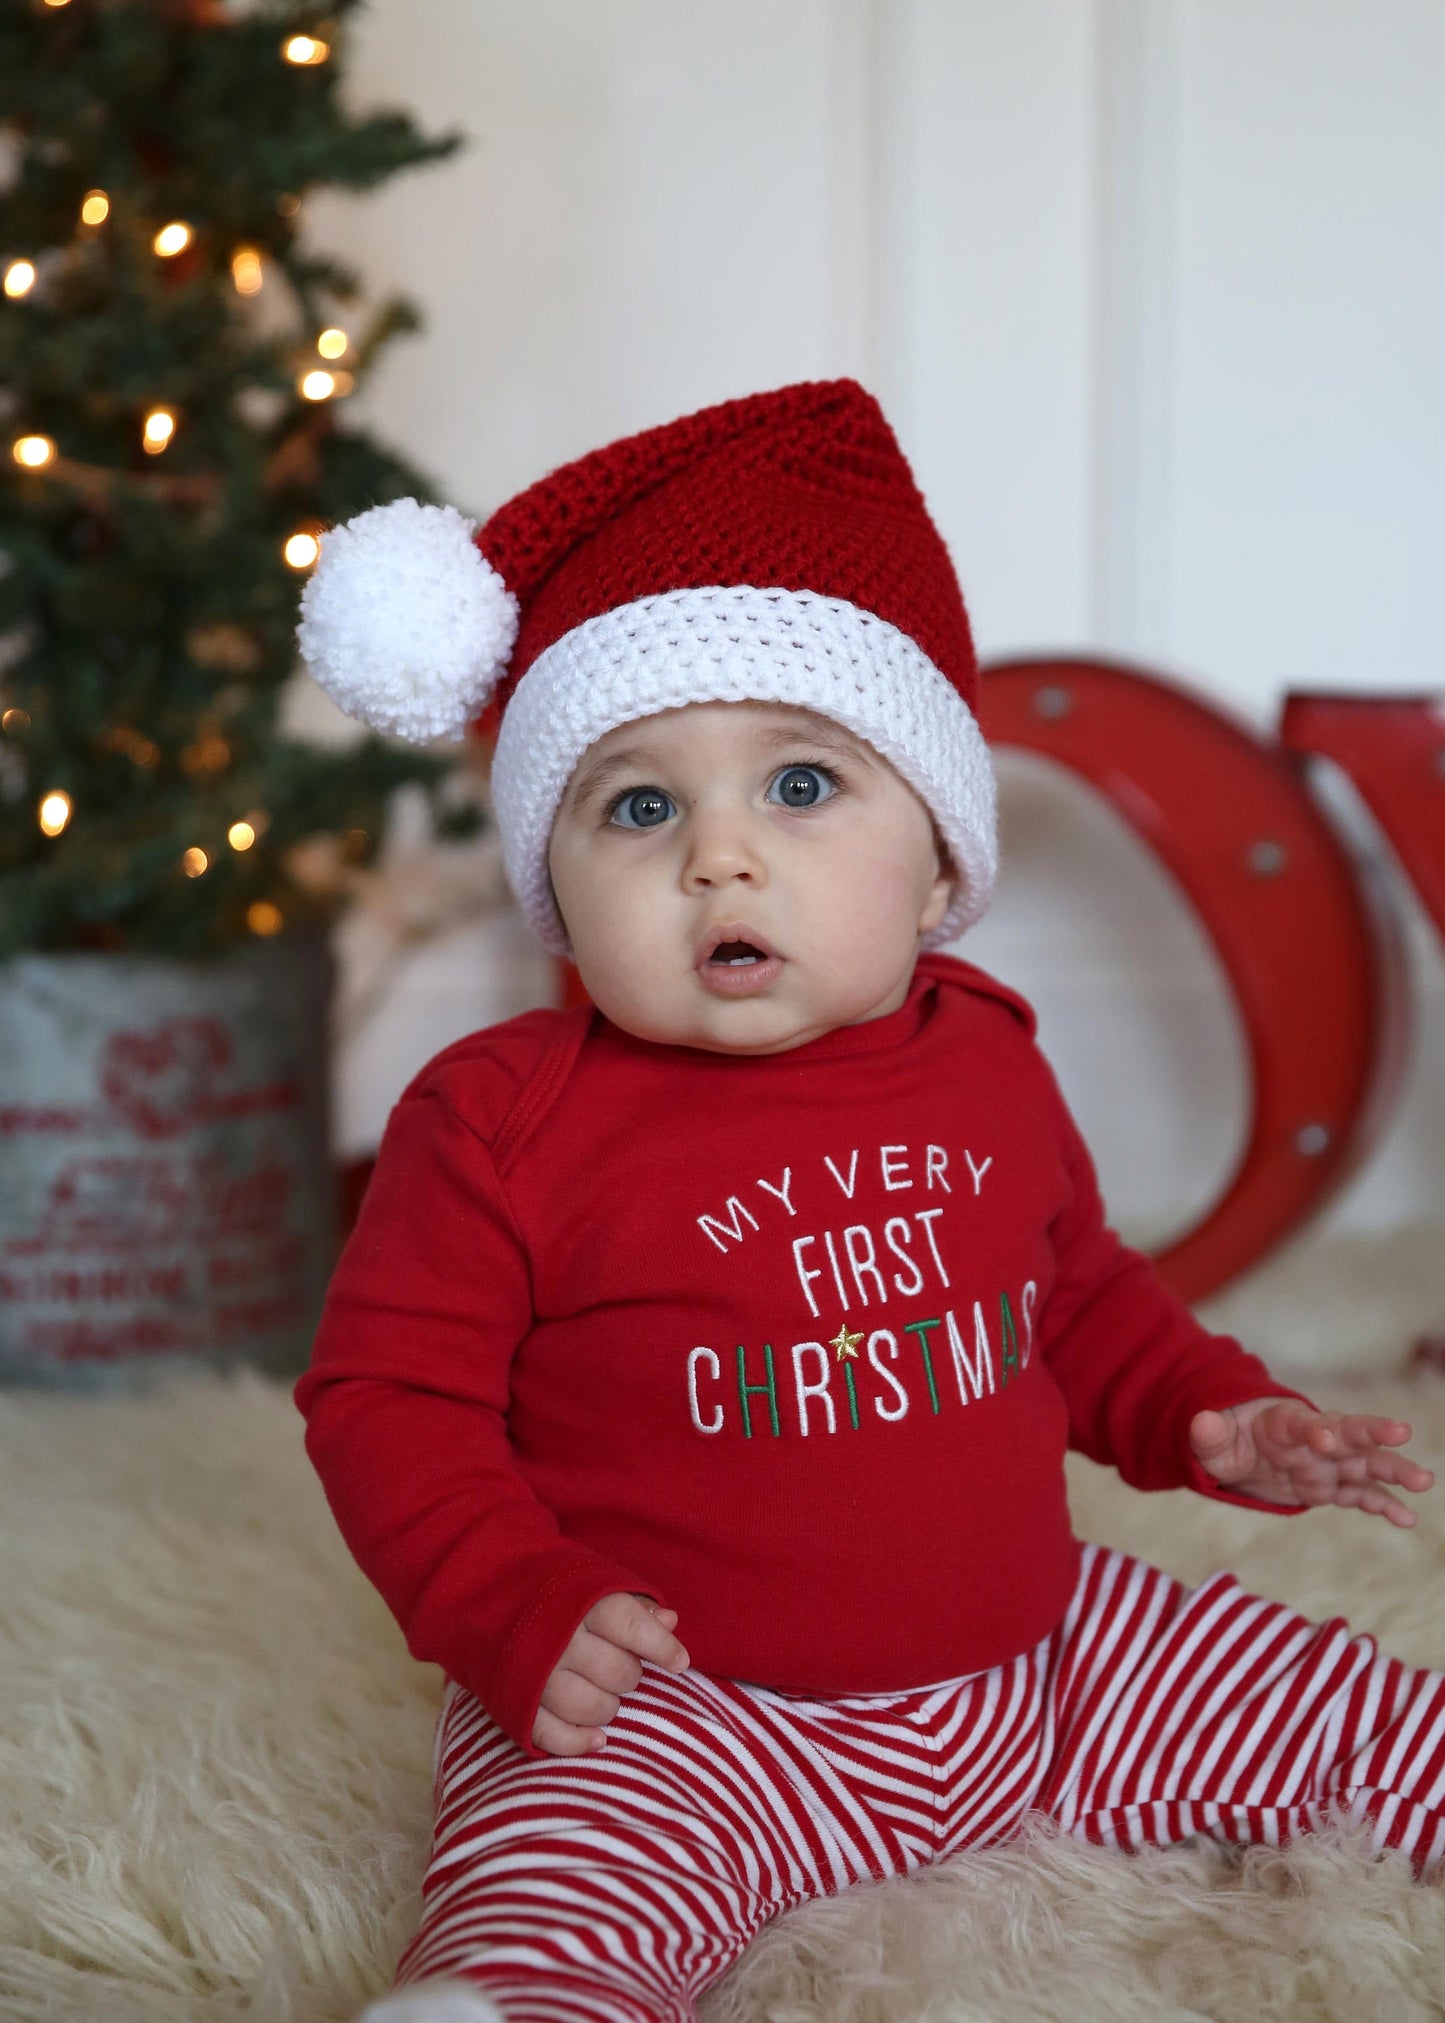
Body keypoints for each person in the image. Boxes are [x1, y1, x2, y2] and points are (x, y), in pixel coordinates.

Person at [293, 380, 1441, 2023]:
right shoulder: (497, 1122)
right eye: (638, 806)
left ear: (937, 856)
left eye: (803, 787)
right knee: (561, 1857)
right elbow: (386, 1400)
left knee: (1320, 1695)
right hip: (690, 1704)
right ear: (557, 886)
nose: (718, 857)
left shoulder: (983, 1059)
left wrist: (1205, 1410)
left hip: (1038, 1664)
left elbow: (1073, 1296)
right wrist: (509, 1597)